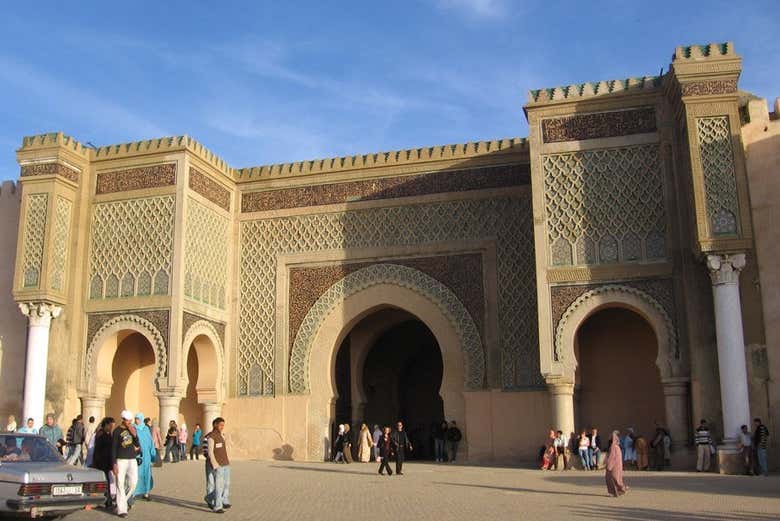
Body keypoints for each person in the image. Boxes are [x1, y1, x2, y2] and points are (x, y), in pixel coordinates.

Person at [112, 410, 140, 518]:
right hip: (121, 460)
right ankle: (122, 510)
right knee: (120, 483)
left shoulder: (132, 429)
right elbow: (113, 448)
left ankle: (122, 501)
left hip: (132, 459)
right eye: (128, 420)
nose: (129, 422)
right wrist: (114, 463)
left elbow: (137, 444)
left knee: (133, 483)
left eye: (130, 420)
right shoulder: (117, 431)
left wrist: (134, 434)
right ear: (123, 420)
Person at [205, 417, 231, 513]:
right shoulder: (211, 436)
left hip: (225, 463)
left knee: (226, 484)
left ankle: (210, 498)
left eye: (223, 425)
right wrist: (215, 464)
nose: (222, 427)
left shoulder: (221, 435)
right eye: (220, 425)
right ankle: (218, 506)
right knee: (218, 486)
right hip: (217, 464)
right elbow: (210, 452)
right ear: (215, 424)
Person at [91, 417, 116, 510]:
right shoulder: (101, 434)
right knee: (105, 482)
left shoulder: (107, 434)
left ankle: (107, 500)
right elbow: (99, 450)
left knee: (106, 482)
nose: (111, 428)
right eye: (110, 426)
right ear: (105, 425)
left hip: (106, 462)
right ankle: (107, 502)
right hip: (101, 462)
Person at [133, 413, 156, 501]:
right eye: (136, 419)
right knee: (136, 474)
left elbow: (150, 442)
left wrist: (153, 455)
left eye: (138, 419)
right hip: (137, 456)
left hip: (147, 456)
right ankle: (134, 492)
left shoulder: (146, 429)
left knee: (147, 474)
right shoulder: (133, 429)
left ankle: (146, 493)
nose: (136, 420)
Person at [605, 431, 629, 497]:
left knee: (613, 478)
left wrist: (609, 466)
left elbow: (612, 457)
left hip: (614, 466)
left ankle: (619, 490)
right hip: (617, 466)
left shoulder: (613, 447)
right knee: (616, 478)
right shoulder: (617, 447)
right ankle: (619, 491)